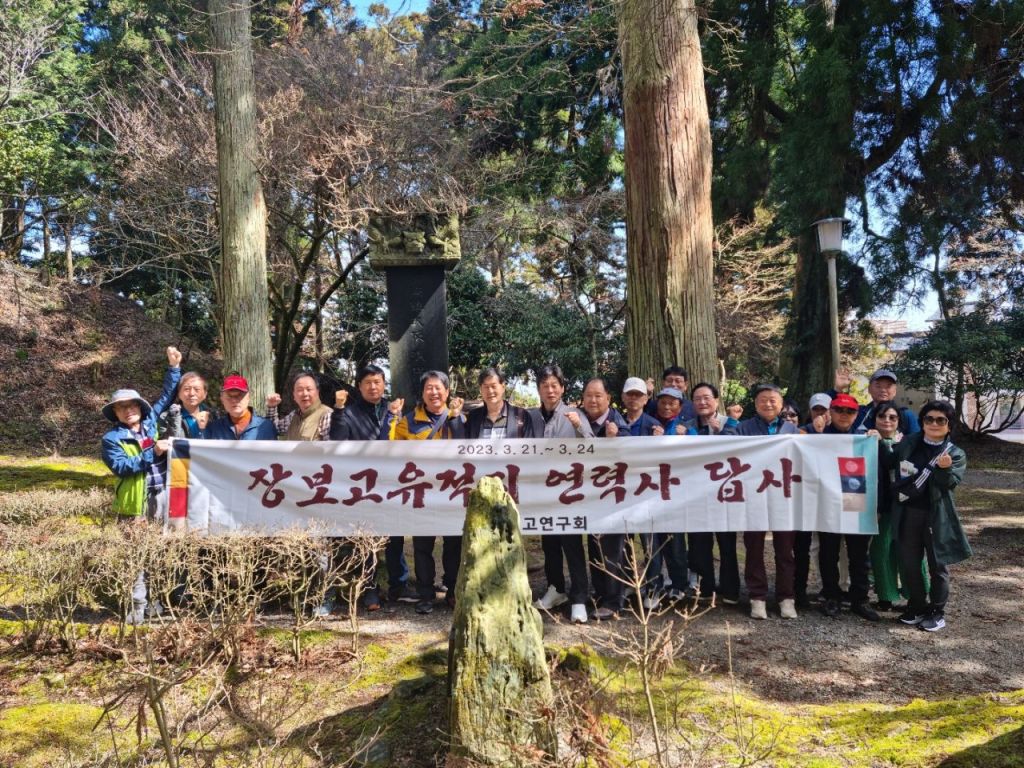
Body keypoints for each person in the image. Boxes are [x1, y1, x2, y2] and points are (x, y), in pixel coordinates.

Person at [100, 346, 182, 624]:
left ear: (140, 407)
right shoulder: (111, 439)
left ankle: (156, 602)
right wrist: (152, 452)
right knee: (136, 554)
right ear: (116, 413)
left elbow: (167, 396)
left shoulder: (151, 424)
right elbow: (122, 467)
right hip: (135, 503)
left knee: (159, 551)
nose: (128, 411)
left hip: (162, 496)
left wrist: (174, 368)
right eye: (121, 408)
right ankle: (137, 606)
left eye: (132, 405)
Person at [330, 364, 411, 610]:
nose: (373, 387)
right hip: (362, 485)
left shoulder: (394, 409)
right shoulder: (350, 412)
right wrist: (339, 410)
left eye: (377, 382)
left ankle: (399, 585)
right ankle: (370, 589)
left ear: (384, 384)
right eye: (368, 382)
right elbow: (337, 440)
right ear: (359, 386)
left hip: (392, 482)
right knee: (366, 539)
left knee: (395, 536)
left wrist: (394, 416)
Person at [385, 370, 465, 615]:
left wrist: (456, 419)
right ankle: (426, 594)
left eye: (438, 388)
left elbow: (466, 448)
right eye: (429, 388)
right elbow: (389, 449)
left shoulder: (458, 419)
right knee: (422, 546)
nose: (434, 392)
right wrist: (392, 418)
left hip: (451, 493)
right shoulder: (408, 421)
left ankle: (452, 590)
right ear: (422, 393)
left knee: (453, 544)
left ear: (447, 391)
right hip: (421, 494)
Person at [885, 400, 970, 632]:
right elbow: (890, 462)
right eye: (929, 419)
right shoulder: (909, 443)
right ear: (922, 422)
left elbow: (948, 485)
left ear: (949, 425)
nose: (934, 423)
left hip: (936, 515)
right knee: (910, 563)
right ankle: (917, 605)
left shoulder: (955, 453)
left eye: (941, 420)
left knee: (937, 565)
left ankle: (937, 611)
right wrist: (879, 441)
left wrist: (945, 468)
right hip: (908, 512)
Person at [723, 383, 799, 620]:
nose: (768, 404)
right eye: (763, 400)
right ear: (755, 404)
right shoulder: (744, 428)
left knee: (785, 549)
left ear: (781, 404)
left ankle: (786, 597)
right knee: (754, 548)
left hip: (784, 497)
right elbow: (723, 447)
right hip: (752, 496)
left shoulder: (792, 430)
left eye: (773, 400)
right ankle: (757, 597)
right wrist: (731, 422)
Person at [528, 364, 594, 624]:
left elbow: (592, 446)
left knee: (572, 544)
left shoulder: (575, 415)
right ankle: (555, 589)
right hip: (543, 492)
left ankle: (579, 598)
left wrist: (579, 427)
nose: (550, 390)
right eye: (545, 386)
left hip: (569, 493)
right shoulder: (533, 417)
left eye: (554, 385)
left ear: (563, 388)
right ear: (539, 390)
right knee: (550, 544)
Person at [808, 393, 880, 622]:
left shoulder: (864, 437)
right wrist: (813, 430)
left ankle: (860, 599)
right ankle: (831, 596)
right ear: (830, 412)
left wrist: (879, 442)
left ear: (856, 414)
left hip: (855, 499)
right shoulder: (817, 436)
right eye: (839, 410)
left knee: (859, 554)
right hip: (827, 502)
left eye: (849, 411)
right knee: (828, 553)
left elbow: (884, 462)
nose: (844, 414)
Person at [680, 382, 740, 605]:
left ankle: (730, 590)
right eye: (697, 399)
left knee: (727, 544)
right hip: (696, 494)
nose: (702, 402)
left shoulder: (730, 423)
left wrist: (720, 433)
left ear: (716, 400)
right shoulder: (685, 426)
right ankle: (705, 589)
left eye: (706, 398)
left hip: (725, 493)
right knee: (699, 543)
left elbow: (739, 450)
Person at [580, 377, 629, 620]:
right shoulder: (580, 421)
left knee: (613, 548)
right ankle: (601, 594)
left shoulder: (618, 423)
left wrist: (614, 440)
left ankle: (614, 600)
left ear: (608, 398)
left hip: (613, 496)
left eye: (598, 395)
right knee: (595, 545)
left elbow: (631, 454)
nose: (593, 400)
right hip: (590, 496)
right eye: (589, 395)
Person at [867, 400, 919, 611]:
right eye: (882, 416)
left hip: (905, 504)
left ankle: (915, 596)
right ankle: (885, 595)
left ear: (899, 421)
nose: (887, 421)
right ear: (874, 419)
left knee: (909, 551)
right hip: (880, 505)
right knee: (880, 551)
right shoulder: (866, 440)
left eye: (892, 417)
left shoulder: (909, 442)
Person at [643, 386, 693, 605]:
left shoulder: (687, 428)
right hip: (648, 494)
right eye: (663, 402)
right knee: (651, 544)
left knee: (675, 543)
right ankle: (653, 586)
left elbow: (698, 451)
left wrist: (683, 437)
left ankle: (679, 585)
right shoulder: (649, 424)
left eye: (672, 403)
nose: (666, 407)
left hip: (675, 495)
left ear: (680, 407)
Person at [834, 368, 921, 435]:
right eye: (878, 386)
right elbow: (833, 415)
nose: (883, 390)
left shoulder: (906, 415)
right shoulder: (858, 413)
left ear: (895, 391)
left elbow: (917, 443)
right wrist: (838, 389)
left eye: (888, 386)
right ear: (869, 389)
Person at [465, 367, 534, 439]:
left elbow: (529, 445)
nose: (490, 391)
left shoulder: (522, 416)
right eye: (486, 387)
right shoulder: (473, 418)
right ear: (481, 390)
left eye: (493, 386)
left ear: (503, 387)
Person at [206, 374, 278, 440]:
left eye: (239, 395)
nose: (234, 400)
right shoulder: (214, 428)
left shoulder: (265, 426)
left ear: (248, 397)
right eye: (229, 396)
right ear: (222, 399)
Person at [265, 372, 333, 441]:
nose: (305, 394)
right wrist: (272, 406)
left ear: (317, 392)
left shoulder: (327, 415)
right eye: (300, 390)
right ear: (294, 395)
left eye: (309, 389)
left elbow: (330, 445)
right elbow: (273, 429)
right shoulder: (294, 415)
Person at [159, 371, 212, 439]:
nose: (191, 393)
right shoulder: (167, 417)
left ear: (205, 394)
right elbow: (165, 441)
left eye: (197, 389)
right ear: (179, 393)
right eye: (187, 389)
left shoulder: (213, 416)